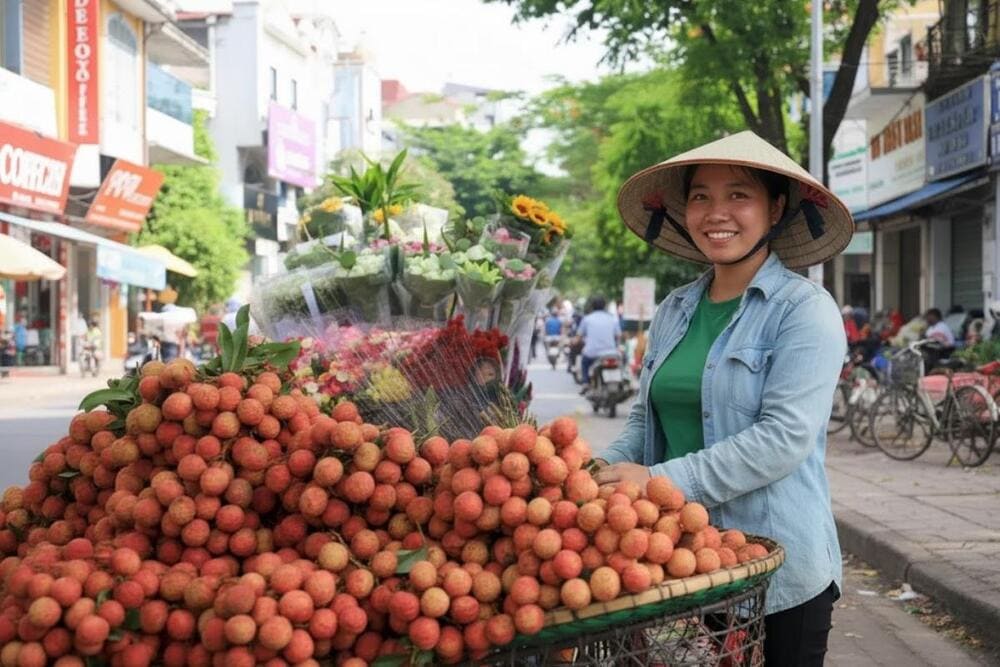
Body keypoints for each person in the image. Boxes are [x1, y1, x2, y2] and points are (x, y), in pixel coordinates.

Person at [595, 131, 852, 665]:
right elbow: (647, 422)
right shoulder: (674, 310)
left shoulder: (804, 311)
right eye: (700, 197)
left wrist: (661, 481)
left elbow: (783, 439)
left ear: (775, 208)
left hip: (781, 568)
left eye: (739, 195)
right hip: (697, 561)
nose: (718, 212)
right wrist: (596, 470)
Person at [576, 295, 621, 386]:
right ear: (605, 306)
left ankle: (585, 383)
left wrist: (574, 342)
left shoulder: (587, 319)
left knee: (584, 362)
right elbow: (618, 335)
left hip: (592, 353)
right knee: (622, 362)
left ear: (592, 306)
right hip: (611, 352)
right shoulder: (612, 318)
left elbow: (579, 337)